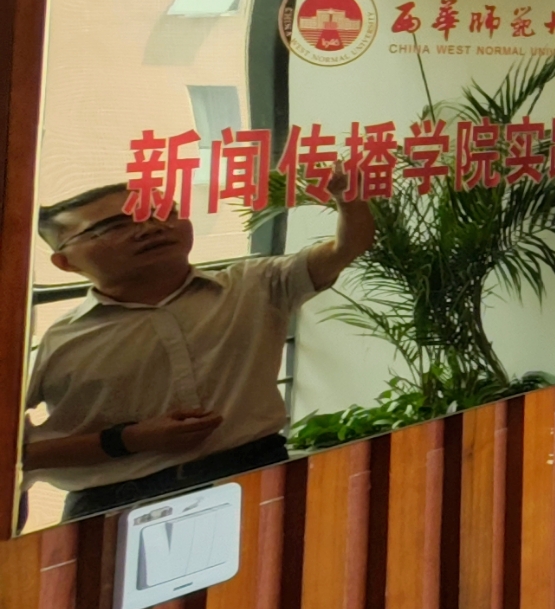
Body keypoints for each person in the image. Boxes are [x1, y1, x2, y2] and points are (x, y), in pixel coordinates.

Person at [24, 177, 374, 494]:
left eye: (164, 212)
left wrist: (348, 197)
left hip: (256, 473)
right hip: (114, 502)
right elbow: (17, 455)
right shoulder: (51, 343)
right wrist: (127, 440)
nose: (151, 227)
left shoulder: (254, 284)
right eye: (115, 226)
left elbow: (347, 247)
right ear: (65, 262)